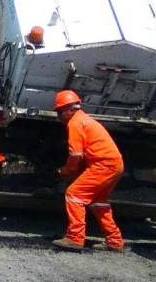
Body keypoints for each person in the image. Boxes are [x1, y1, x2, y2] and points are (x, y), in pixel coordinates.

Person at [51, 90, 125, 252]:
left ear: (70, 110)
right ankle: (114, 240)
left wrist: (64, 172)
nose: (59, 117)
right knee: (99, 202)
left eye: (60, 112)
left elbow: (75, 155)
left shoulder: (75, 123)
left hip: (103, 165)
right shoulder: (84, 119)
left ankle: (75, 238)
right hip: (114, 164)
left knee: (74, 194)